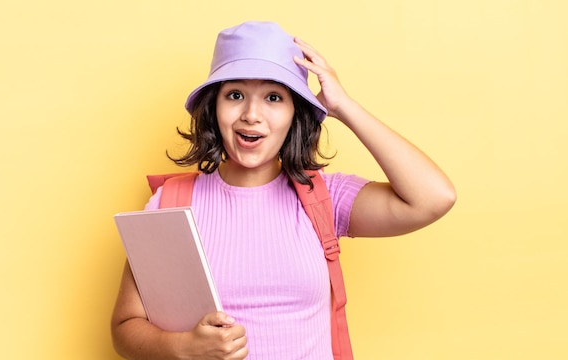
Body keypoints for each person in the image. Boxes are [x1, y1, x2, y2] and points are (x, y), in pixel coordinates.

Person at [111, 21, 456, 360]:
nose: (251, 114)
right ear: (213, 108)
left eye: (274, 97)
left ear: (295, 113)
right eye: (235, 95)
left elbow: (434, 198)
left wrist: (343, 107)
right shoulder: (169, 204)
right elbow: (125, 328)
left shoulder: (325, 197)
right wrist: (183, 348)